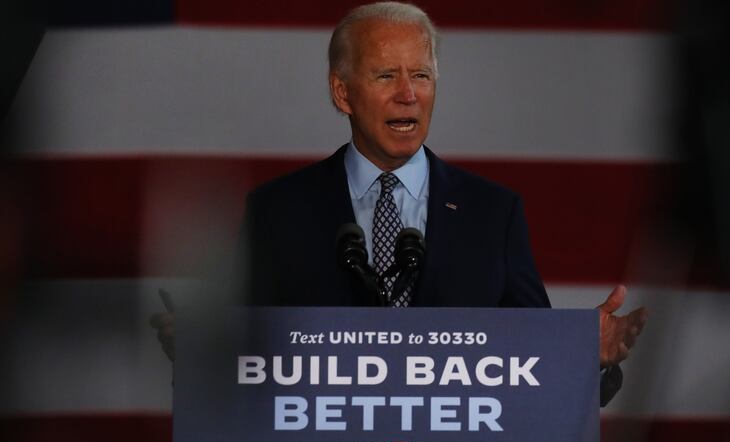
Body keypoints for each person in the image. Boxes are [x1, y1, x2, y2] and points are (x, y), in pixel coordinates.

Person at [150, 1, 647, 404]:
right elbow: (241, 365)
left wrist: (587, 358)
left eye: (422, 76)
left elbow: (529, 365)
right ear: (342, 92)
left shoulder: (492, 215)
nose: (408, 95)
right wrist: (199, 353)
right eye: (386, 75)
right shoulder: (278, 211)